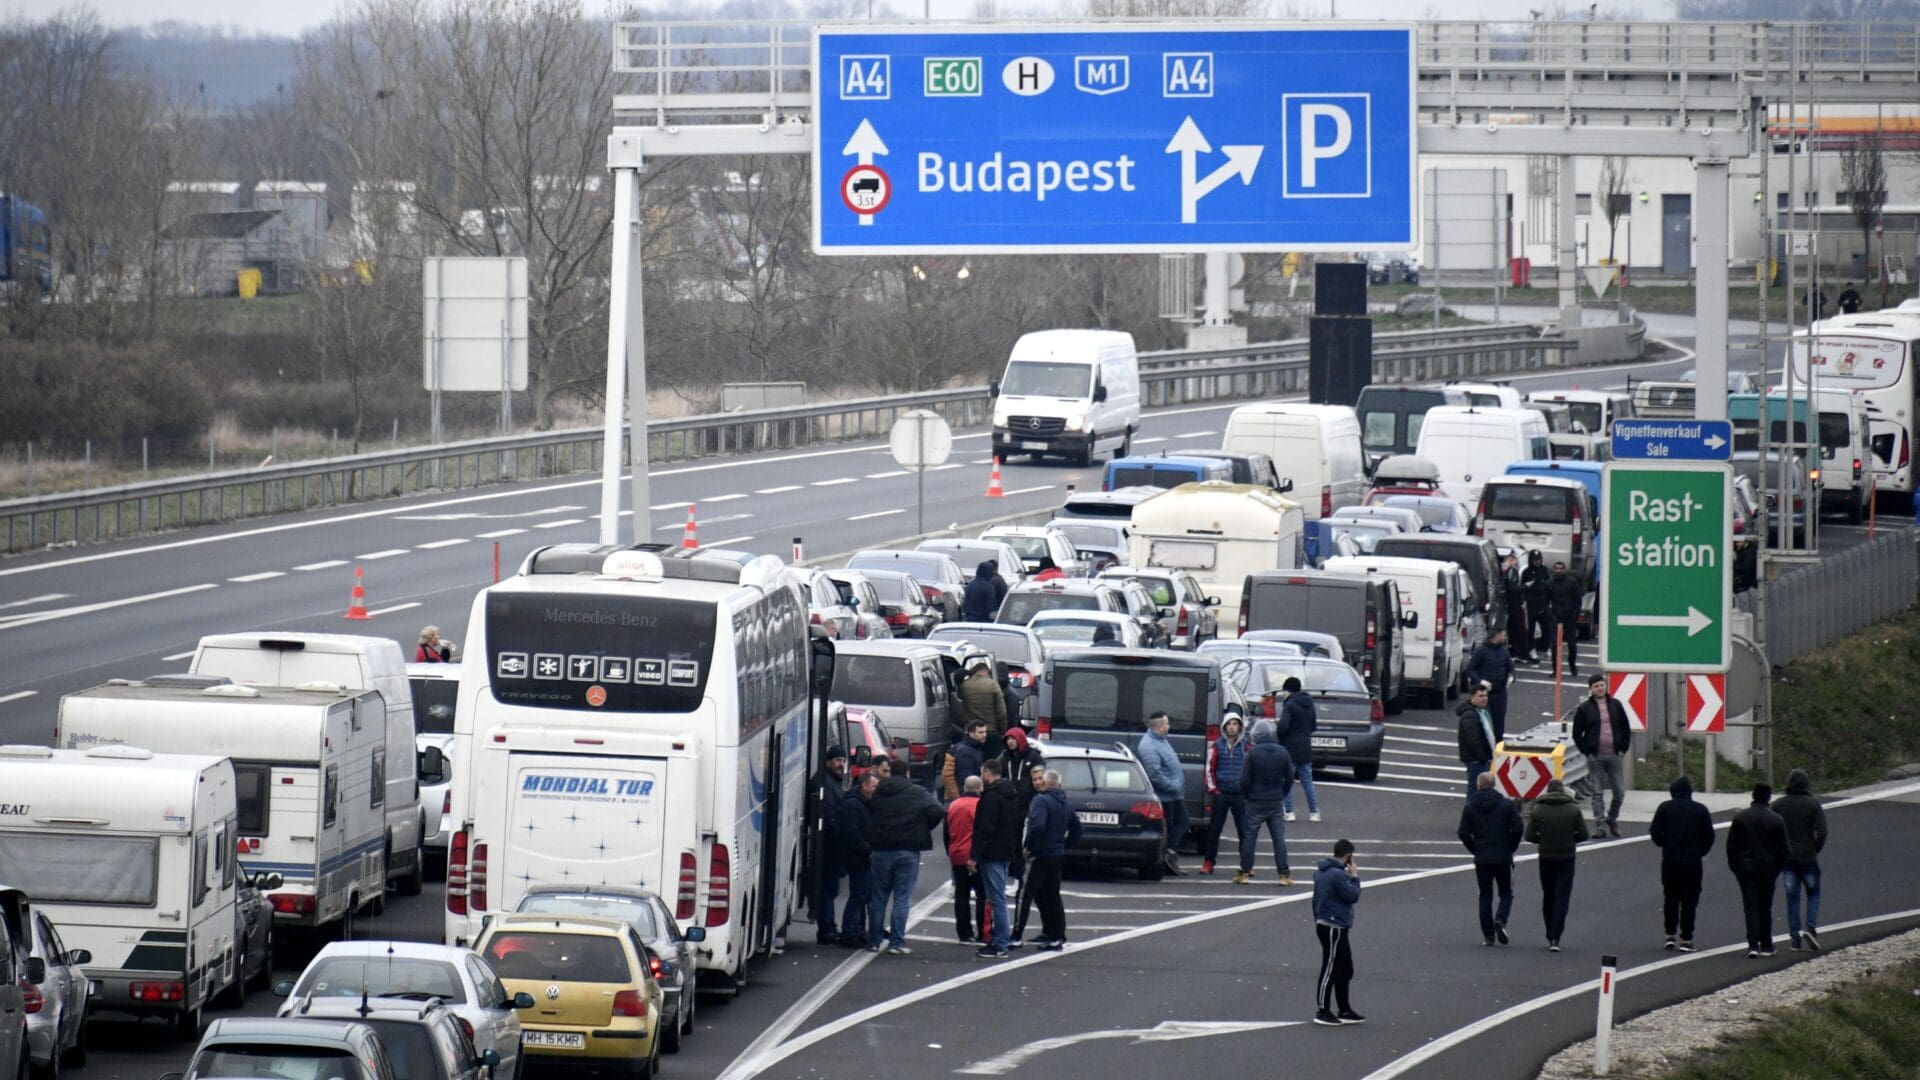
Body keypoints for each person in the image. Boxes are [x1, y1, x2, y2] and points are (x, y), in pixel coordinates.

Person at [866, 756, 946, 955]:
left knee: (878, 897)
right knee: (902, 897)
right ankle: (896, 942)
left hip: (881, 848)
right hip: (908, 849)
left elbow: (870, 812)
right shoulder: (916, 792)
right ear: (908, 773)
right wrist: (923, 827)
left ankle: (874, 940)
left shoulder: (879, 793)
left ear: (890, 772)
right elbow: (937, 809)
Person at [1648, 774, 1715, 952]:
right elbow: (1709, 836)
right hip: (1693, 861)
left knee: (1670, 897)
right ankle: (1686, 937)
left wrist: (1664, 844)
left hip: (1670, 860)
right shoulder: (1700, 810)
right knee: (1690, 899)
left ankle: (1670, 934)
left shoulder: (1664, 808)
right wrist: (1701, 851)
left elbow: (1655, 832)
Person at [1457, 772, 1524, 946]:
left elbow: (1463, 832)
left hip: (1482, 857)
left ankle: (1488, 935)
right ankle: (1500, 919)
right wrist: (1511, 846)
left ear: (1479, 785)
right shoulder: (1506, 805)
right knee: (1506, 892)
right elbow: (1518, 828)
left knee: (1485, 895)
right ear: (1494, 785)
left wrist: (1475, 848)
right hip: (1503, 856)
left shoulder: (1471, 806)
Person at [1525, 777, 1589, 952]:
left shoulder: (1537, 809)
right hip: (1566, 856)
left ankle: (1549, 931)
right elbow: (1583, 834)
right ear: (1563, 791)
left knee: (1549, 894)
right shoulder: (1574, 809)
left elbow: (1529, 836)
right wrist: (1570, 839)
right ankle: (1556, 935)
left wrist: (1543, 839)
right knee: (1562, 896)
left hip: (1546, 856)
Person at [1726, 782, 1790, 958]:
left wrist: (1736, 868)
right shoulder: (1776, 820)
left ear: (1753, 796)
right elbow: (1784, 850)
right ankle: (1767, 943)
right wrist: (1776, 868)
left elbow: (1731, 847)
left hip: (1746, 869)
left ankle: (1752, 944)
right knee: (1765, 906)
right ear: (1769, 797)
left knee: (1751, 906)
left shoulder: (1740, 818)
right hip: (1768, 869)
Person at [1022, 769, 1082, 951]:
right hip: (1056, 853)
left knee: (1030, 893)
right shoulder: (1064, 802)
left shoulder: (1043, 801)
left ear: (1047, 783)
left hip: (1044, 854)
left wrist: (1029, 847)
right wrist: (1064, 845)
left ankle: (1023, 934)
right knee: (1047, 893)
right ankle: (1052, 932)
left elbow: (1038, 827)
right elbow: (1078, 830)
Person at [1235, 718, 1296, 886]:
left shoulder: (1252, 753)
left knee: (1249, 837)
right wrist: (1281, 793)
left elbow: (1244, 779)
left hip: (1255, 799)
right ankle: (1284, 874)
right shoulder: (1282, 752)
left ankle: (1245, 872)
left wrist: (1247, 795)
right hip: (1275, 800)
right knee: (1278, 838)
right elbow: (1290, 778)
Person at [1311, 839, 1364, 1026]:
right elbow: (1353, 895)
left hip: (1327, 922)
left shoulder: (1321, 873)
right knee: (1331, 967)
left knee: (1344, 966)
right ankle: (1323, 1009)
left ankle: (1344, 1008)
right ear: (1348, 855)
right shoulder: (1337, 875)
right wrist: (1355, 876)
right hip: (1334, 924)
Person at [1775, 769, 1829, 951]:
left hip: (1788, 859)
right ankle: (1810, 927)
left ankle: (1794, 937)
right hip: (1808, 856)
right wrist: (1815, 848)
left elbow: (1771, 829)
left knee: (1792, 897)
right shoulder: (1813, 804)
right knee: (1813, 892)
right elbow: (1822, 832)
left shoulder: (1779, 805)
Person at [1571, 673, 1631, 837]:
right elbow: (1577, 734)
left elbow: (1626, 728)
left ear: (1606, 686)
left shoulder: (1616, 705)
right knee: (1597, 792)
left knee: (1619, 792)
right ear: (1590, 689)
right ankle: (1600, 825)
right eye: (1596, 686)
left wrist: (1623, 749)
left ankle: (1612, 818)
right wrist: (1587, 752)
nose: (1600, 688)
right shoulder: (1584, 709)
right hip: (1595, 756)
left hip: (1614, 755)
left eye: (1602, 685)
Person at [970, 760, 1019, 958]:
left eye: (982, 772)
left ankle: (1000, 943)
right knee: (997, 897)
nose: (981, 775)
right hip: (1006, 850)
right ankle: (1000, 941)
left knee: (996, 898)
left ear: (988, 772)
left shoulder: (991, 797)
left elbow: (986, 828)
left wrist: (975, 855)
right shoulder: (1011, 794)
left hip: (992, 853)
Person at [1137, 712, 1187, 874]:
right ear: (1158, 726)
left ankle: (1169, 854)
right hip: (1165, 796)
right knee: (1171, 827)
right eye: (1166, 723)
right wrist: (1173, 786)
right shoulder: (1149, 746)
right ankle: (1166, 856)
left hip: (1173, 794)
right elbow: (1155, 774)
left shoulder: (1160, 740)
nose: (1168, 726)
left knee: (1181, 822)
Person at [1202, 711, 1250, 875]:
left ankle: (1247, 864)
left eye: (1235, 724)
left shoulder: (1246, 747)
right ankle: (1209, 862)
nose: (1232, 727)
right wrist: (1214, 789)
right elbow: (1209, 768)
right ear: (1224, 727)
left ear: (1240, 727)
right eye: (1229, 724)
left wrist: (1247, 791)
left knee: (1244, 830)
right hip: (1221, 792)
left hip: (1239, 794)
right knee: (1214, 829)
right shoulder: (1216, 746)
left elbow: (1251, 770)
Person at [809, 745, 848, 945]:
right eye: (837, 760)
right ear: (827, 762)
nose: (841, 764)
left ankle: (829, 926)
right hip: (828, 848)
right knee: (828, 889)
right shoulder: (827, 785)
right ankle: (827, 928)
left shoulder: (829, 782)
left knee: (829, 889)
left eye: (843, 760)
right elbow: (830, 817)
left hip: (829, 847)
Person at [837, 770, 878, 948]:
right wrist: (867, 850)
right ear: (864, 786)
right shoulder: (854, 805)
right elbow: (851, 833)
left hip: (861, 857)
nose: (876, 789)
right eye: (874, 786)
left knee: (861, 896)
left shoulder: (865, 804)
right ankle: (849, 931)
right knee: (858, 895)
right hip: (857, 858)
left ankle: (855, 930)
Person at [945, 776, 985, 944]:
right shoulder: (981, 806)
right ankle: (983, 931)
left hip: (957, 854)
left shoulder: (953, 806)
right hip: (975, 855)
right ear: (980, 788)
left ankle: (964, 933)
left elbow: (946, 834)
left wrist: (951, 850)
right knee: (983, 894)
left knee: (962, 895)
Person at [1277, 677, 1321, 824]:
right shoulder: (1309, 703)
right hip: (1305, 747)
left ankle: (1289, 812)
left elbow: (1283, 727)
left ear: (1288, 690)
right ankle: (1314, 812)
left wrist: (1278, 731)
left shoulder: (1289, 705)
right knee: (1307, 781)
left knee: (1288, 780)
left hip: (1290, 747)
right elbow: (1313, 726)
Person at [1463, 629, 1517, 741]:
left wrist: (1511, 677)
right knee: (1483, 719)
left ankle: (1498, 743)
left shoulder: (1504, 651)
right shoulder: (1481, 651)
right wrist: (1480, 681)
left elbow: (1510, 668)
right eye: (1503, 635)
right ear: (1495, 636)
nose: (1505, 637)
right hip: (1484, 692)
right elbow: (1470, 669)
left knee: (1499, 720)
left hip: (1500, 692)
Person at [1456, 684, 1497, 796]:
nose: (1484, 698)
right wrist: (1483, 757)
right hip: (1476, 759)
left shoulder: (1481, 712)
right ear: (1472, 697)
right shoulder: (1470, 715)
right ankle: (1472, 810)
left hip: (1481, 758)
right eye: (1480, 696)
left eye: (1485, 696)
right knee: (1474, 788)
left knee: (1478, 788)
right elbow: (1473, 741)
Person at [1544, 561, 1583, 676]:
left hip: (1570, 617)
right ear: (1554, 570)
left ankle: (1572, 665)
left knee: (1572, 644)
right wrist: (1550, 615)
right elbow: (1545, 602)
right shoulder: (1549, 583)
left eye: (1561, 568)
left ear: (1564, 570)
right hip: (1556, 618)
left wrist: (1574, 616)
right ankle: (1556, 670)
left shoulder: (1572, 582)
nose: (1559, 570)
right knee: (1555, 645)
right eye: (1557, 568)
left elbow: (1578, 601)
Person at [943, 719, 993, 801]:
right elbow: (966, 778)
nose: (984, 735)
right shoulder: (966, 751)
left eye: (985, 732)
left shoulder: (975, 747)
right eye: (980, 732)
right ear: (971, 734)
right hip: (965, 796)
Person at [955, 656, 1007, 735]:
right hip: (990, 730)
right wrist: (1002, 730)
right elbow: (1001, 712)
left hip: (971, 730)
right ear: (985, 671)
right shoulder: (993, 684)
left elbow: (959, 706)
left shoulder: (964, 685)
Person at [1521, 550, 1552, 665]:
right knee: (1531, 628)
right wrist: (1524, 600)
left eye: (1538, 560)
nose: (1537, 562)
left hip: (1543, 603)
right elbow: (1522, 587)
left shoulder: (1544, 570)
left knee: (1547, 626)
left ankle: (1544, 648)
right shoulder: (1526, 572)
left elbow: (1548, 584)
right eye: (1535, 560)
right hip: (1532, 603)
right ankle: (1531, 649)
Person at [1501, 551, 1530, 661]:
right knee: (1520, 630)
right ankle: (1522, 654)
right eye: (1512, 559)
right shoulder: (1512, 571)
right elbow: (1513, 588)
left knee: (1511, 629)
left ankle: (1513, 651)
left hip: (1506, 604)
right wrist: (1525, 586)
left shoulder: (1502, 571)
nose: (1515, 562)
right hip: (1514, 605)